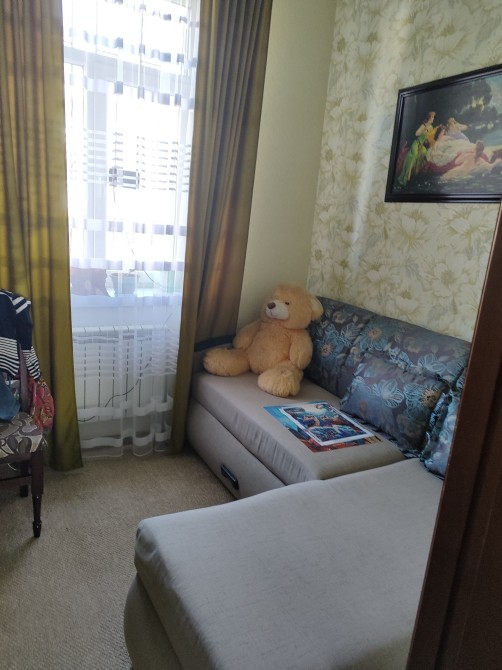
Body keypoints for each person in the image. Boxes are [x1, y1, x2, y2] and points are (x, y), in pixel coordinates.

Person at [398, 111, 437, 186]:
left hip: (422, 145)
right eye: (432, 117)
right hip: (416, 143)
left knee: (424, 153)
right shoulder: (423, 125)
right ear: (429, 118)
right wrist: (424, 130)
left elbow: (428, 138)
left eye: (433, 117)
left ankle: (416, 175)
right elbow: (416, 134)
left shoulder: (431, 127)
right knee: (414, 155)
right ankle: (407, 177)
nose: (433, 119)